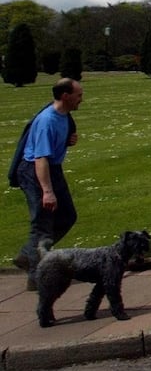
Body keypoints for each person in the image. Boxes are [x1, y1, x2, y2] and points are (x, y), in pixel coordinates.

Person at [13, 77, 83, 289]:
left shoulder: (64, 115)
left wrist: (68, 140)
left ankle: (28, 254)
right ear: (65, 96)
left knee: (67, 216)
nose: (82, 99)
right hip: (36, 172)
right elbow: (40, 159)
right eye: (78, 95)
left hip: (52, 169)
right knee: (42, 223)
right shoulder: (47, 121)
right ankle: (37, 278)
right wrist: (47, 191)